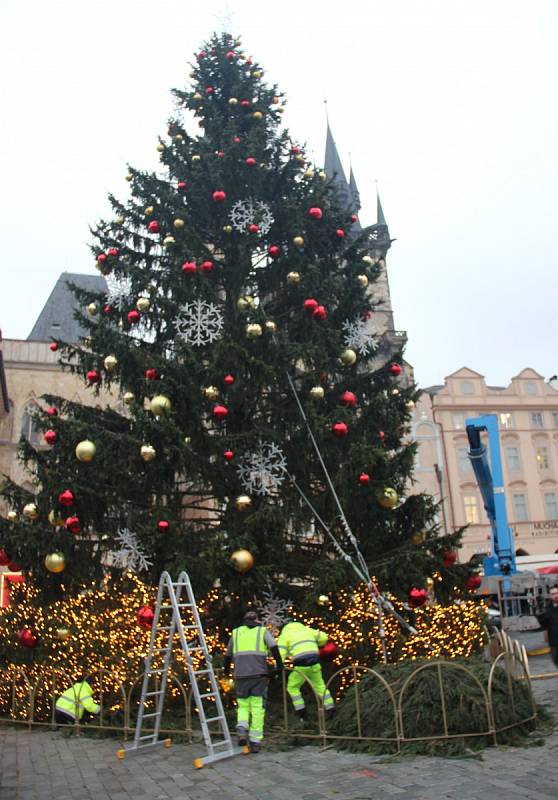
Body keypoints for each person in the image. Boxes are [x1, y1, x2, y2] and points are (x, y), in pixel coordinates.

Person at [224, 610, 282, 753]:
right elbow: (274, 647)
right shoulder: (262, 631)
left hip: (240, 675)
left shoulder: (236, 632)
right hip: (258, 675)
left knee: (243, 705)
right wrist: (279, 666)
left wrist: (226, 671)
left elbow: (228, 654)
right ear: (256, 619)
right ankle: (255, 741)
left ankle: (242, 731)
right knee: (257, 708)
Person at [277, 620, 335, 721]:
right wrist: (319, 644)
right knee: (320, 686)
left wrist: (277, 667)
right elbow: (324, 637)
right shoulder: (306, 630)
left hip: (301, 664)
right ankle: (331, 709)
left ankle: (302, 713)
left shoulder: (285, 635)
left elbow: (280, 653)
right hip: (315, 662)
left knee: (292, 687)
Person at [536, 585, 558, 668]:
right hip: (554, 642)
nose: (556, 595)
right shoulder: (547, 608)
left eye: (557, 593)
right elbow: (544, 625)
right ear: (550, 596)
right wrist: (540, 614)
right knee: (556, 660)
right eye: (553, 594)